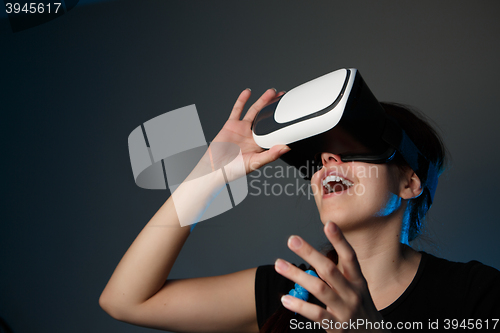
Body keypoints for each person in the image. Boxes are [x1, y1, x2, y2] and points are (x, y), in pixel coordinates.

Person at [99, 88, 500, 332]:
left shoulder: (477, 296)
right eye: (320, 156)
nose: (328, 160)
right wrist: (207, 176)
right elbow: (125, 300)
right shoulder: (290, 294)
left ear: (410, 182)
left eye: (353, 148)